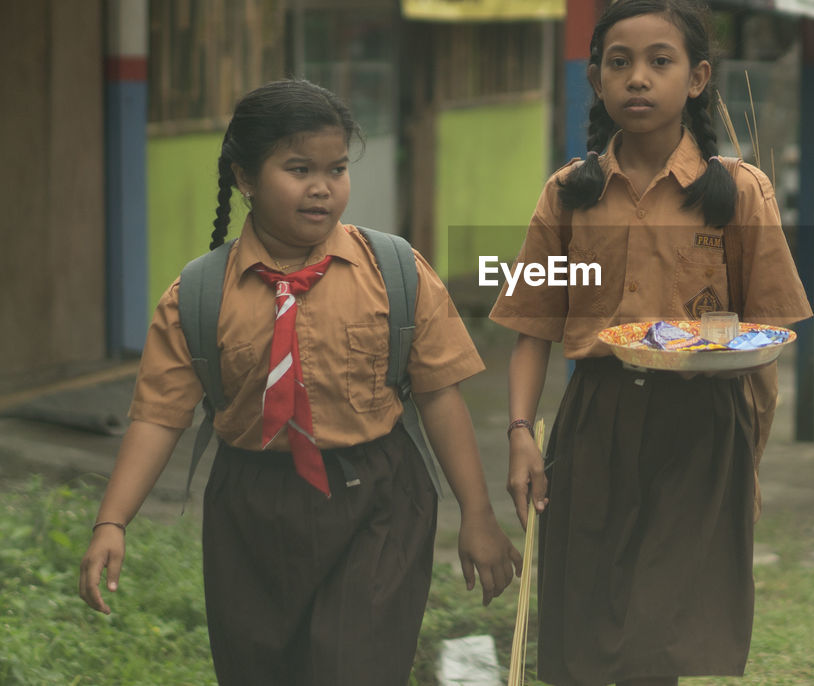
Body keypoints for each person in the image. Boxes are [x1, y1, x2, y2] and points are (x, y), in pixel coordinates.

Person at [78, 79, 520, 685]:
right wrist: (112, 521)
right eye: (299, 168)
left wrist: (478, 513)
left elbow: (441, 395)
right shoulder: (199, 297)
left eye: (336, 168)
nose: (322, 186)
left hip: (379, 499)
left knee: (352, 669)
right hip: (251, 510)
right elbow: (158, 416)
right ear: (245, 178)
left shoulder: (394, 272)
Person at [491, 0, 813, 686]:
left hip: (703, 422)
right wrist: (521, 432)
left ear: (696, 78)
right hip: (595, 419)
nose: (637, 77)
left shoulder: (737, 192)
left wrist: (748, 455)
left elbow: (764, 336)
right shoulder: (568, 194)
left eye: (659, 61)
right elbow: (532, 327)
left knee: (657, 638)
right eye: (619, 62)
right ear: (597, 79)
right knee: (587, 621)